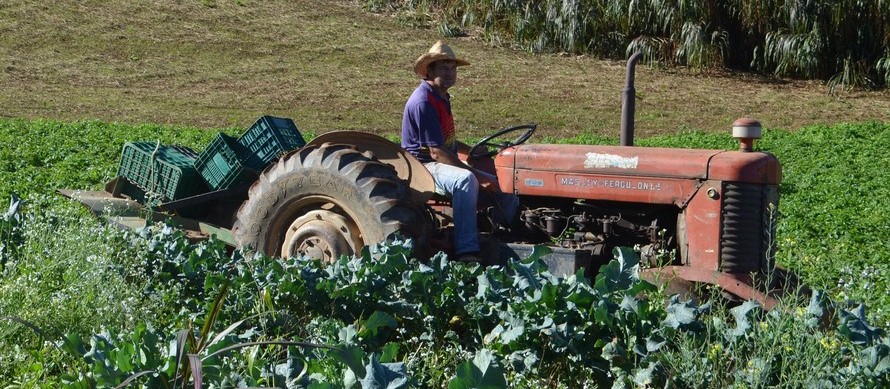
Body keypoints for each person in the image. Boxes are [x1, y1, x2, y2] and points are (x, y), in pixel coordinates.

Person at [401, 41, 519, 263]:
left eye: (453, 68)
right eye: (444, 68)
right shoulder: (423, 102)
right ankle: (467, 252)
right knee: (465, 180)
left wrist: (471, 150)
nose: (450, 73)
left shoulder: (440, 97)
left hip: (439, 161)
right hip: (423, 167)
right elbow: (436, 152)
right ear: (430, 70)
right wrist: (477, 175)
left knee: (506, 184)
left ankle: (504, 238)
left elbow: (446, 141)